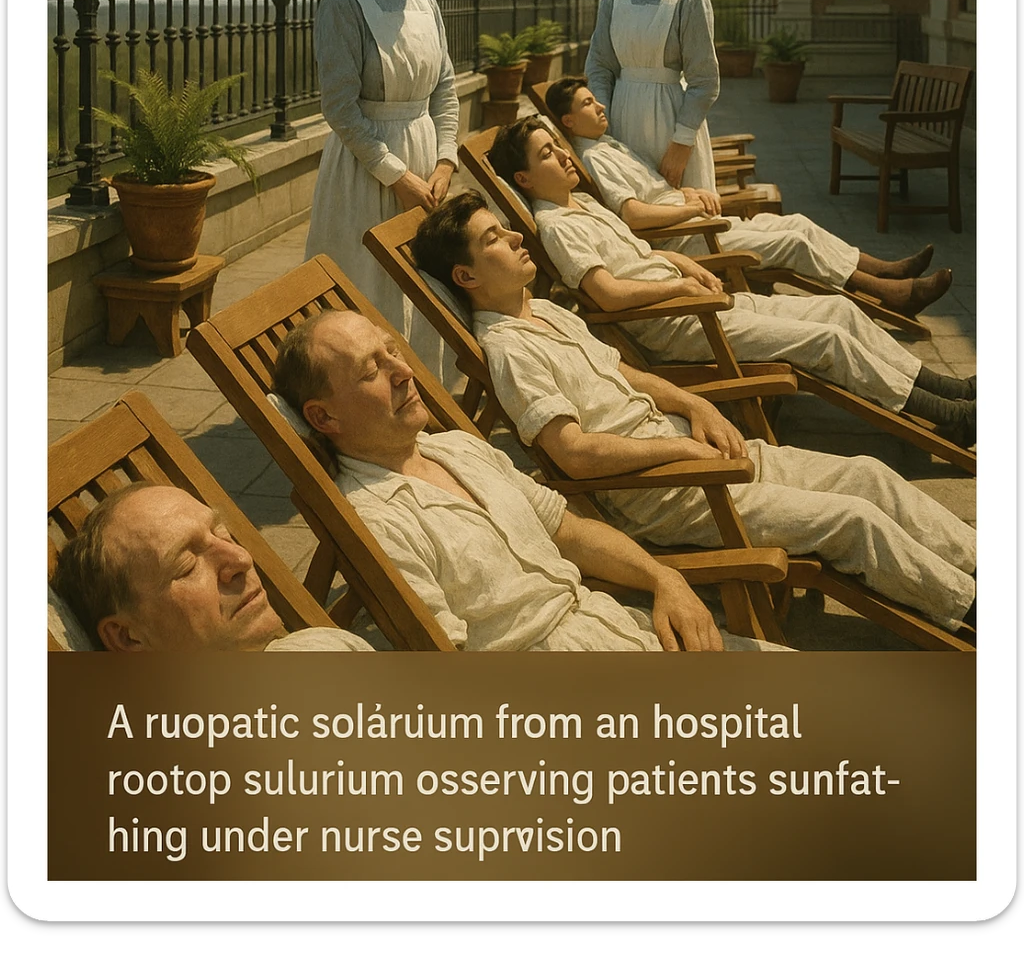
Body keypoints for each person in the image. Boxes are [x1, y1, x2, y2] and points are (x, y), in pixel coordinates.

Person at [410, 193, 977, 636]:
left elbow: (627, 375)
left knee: (868, 474)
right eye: (495, 238)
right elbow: (575, 455)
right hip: (669, 492)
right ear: (467, 276)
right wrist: (681, 449)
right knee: (855, 520)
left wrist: (693, 402)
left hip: (698, 455)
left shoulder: (548, 315)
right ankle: (970, 607)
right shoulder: (512, 351)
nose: (515, 235)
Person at [272, 310, 790, 653]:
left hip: (619, 623)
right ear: (323, 419)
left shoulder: (458, 447)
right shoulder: (376, 520)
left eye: (393, 353)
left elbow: (566, 530)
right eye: (371, 371)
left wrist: (664, 580)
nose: (403, 372)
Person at [487, 119, 976, 444]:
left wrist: (681, 264)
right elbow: (608, 294)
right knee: (826, 339)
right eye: (547, 154)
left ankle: (944, 389)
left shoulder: (583, 204)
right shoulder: (556, 227)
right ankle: (948, 419)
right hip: (678, 325)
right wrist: (677, 289)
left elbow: (634, 254)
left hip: (697, 302)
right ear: (524, 179)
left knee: (841, 310)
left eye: (559, 146)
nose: (565, 157)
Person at [545, 76, 952, 319]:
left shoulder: (610, 144)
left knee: (798, 225)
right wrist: (688, 207)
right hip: (687, 237)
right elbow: (632, 215)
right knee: (792, 243)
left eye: (595, 99)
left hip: (692, 223)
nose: (600, 105)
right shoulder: (595, 158)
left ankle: (886, 271)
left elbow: (649, 191)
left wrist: (685, 190)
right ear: (568, 121)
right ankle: (891, 294)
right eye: (588, 103)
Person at [305, 0, 458, 370]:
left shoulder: (426, 5)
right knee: (365, 285)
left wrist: (443, 164)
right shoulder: (344, 4)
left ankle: (423, 401)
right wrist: (397, 176)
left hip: (423, 164)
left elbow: (445, 92)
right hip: (367, 168)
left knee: (422, 288)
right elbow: (341, 109)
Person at [50, 482, 374, 653]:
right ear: (128, 637)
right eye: (187, 564)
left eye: (219, 531)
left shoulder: (323, 646)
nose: (241, 559)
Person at [586, 0, 719, 192]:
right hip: (620, 123)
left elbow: (704, 81)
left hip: (670, 125)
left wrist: (681, 145)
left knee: (677, 211)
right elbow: (599, 66)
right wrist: (601, 126)